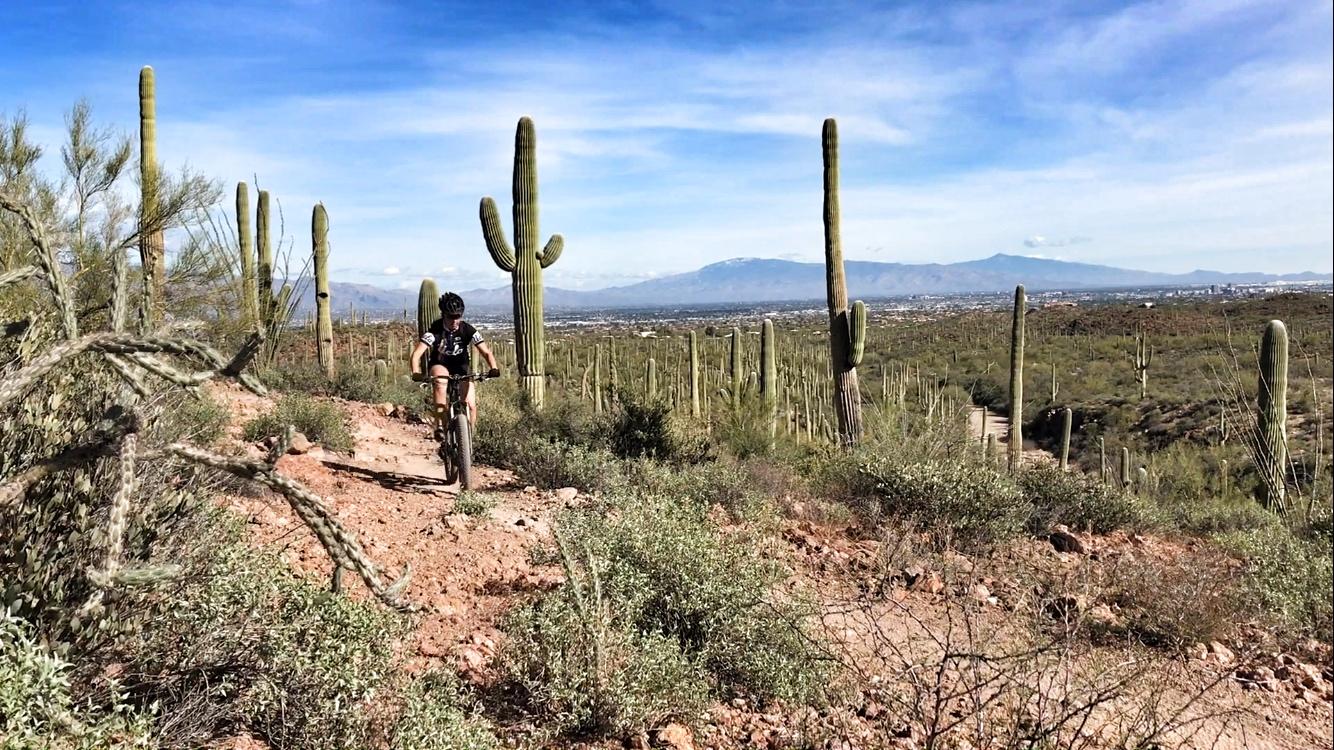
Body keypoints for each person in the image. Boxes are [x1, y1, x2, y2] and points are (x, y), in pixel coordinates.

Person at [410, 292, 501, 428]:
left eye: (457, 317)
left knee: (470, 405)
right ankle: (441, 427)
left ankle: (469, 440)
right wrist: (416, 372)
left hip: (461, 365)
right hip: (440, 363)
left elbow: (486, 351)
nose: (454, 321)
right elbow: (417, 354)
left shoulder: (468, 329)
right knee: (440, 382)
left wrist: (494, 368)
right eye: (450, 317)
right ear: (443, 315)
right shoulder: (435, 331)